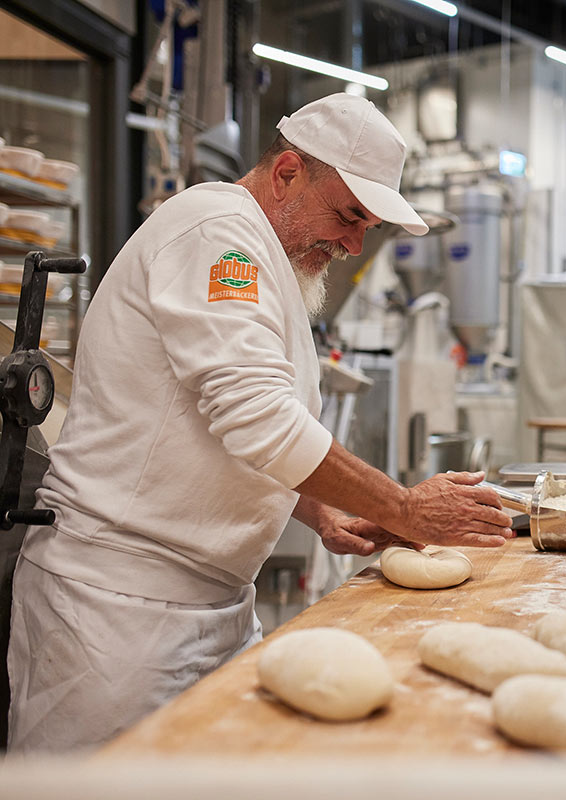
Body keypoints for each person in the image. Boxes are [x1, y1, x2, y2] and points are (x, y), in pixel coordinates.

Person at [6, 93, 514, 753]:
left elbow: (212, 423)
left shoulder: (266, 257)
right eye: (348, 215)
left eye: (369, 226)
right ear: (286, 174)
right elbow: (255, 415)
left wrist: (320, 509)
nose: (355, 243)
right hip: (118, 612)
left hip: (212, 604)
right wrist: (405, 508)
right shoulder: (218, 234)